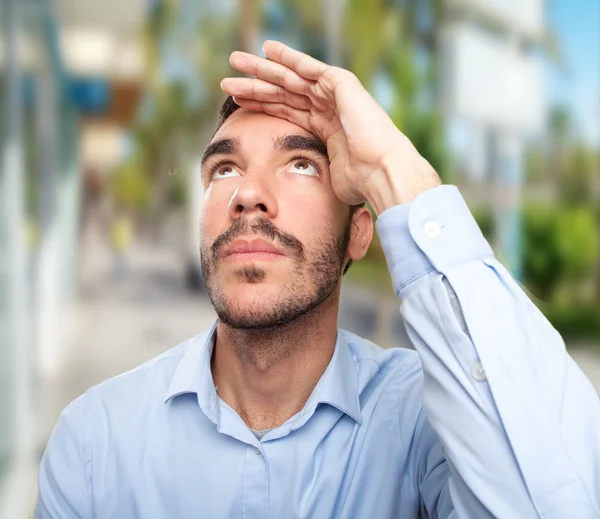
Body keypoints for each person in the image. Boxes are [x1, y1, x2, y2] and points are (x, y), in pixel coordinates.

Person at [34, 41, 600, 518]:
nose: (247, 194)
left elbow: (555, 499)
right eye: (224, 168)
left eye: (301, 164)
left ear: (360, 232)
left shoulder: (426, 424)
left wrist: (390, 170)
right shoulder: (94, 442)